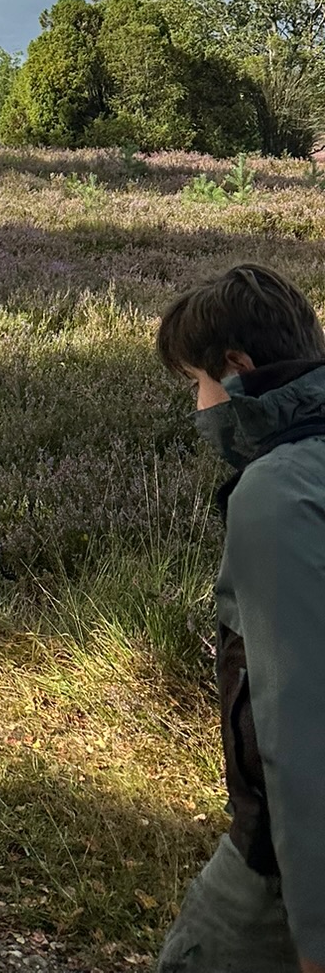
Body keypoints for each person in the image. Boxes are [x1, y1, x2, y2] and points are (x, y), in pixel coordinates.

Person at [153, 264, 325, 973]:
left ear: (238, 368)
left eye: (197, 383)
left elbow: (298, 724)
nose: (198, 408)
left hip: (277, 870)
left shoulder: (276, 495)